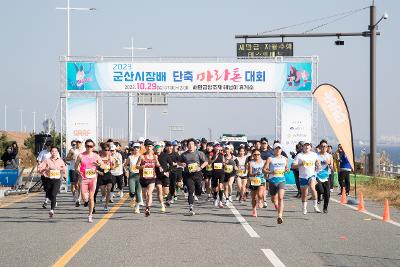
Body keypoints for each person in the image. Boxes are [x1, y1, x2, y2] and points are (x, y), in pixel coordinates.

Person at [76, 139, 106, 223]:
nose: (89, 148)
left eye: (91, 146)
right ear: (85, 146)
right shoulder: (81, 156)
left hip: (93, 179)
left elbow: (103, 166)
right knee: (85, 198)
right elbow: (76, 166)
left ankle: (90, 215)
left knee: (91, 197)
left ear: (93, 147)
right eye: (88, 146)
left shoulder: (96, 156)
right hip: (84, 179)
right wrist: (79, 172)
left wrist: (99, 165)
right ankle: (86, 201)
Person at [178, 138, 208, 215]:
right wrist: (181, 164)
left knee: (198, 191)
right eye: (189, 145)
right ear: (187, 146)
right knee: (190, 191)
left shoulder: (199, 153)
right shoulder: (184, 154)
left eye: (192, 144)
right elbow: (178, 162)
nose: (190, 146)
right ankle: (191, 208)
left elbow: (206, 162)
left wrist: (200, 167)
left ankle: (197, 192)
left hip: (197, 174)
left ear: (195, 146)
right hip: (188, 175)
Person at [292, 142, 321, 215]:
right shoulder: (299, 155)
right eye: (305, 146)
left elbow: (317, 161)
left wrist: (318, 165)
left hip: (312, 175)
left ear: (310, 147)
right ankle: (304, 208)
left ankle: (315, 206)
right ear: (303, 147)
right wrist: (301, 164)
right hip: (303, 177)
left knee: (312, 187)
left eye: (308, 146)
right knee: (304, 194)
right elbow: (293, 166)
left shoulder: (314, 154)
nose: (307, 147)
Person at [37, 146, 66, 218]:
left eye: (55, 151)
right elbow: (39, 168)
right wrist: (44, 169)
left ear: (57, 153)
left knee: (53, 194)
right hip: (48, 179)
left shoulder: (60, 161)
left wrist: (65, 175)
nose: (54, 153)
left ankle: (52, 210)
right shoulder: (47, 160)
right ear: (51, 152)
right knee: (49, 194)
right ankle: (54, 201)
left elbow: (64, 168)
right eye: (53, 151)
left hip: (56, 180)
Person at [263, 143, 289, 224]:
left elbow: (287, 168)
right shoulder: (270, 159)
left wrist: (287, 169)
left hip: (281, 180)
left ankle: (280, 215)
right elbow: (264, 170)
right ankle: (277, 208)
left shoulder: (285, 159)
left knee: (280, 198)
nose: (278, 150)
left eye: (279, 148)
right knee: (273, 199)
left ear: (281, 150)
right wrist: (271, 171)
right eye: (276, 149)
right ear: (274, 150)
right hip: (272, 181)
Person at [136, 139, 160, 217]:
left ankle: (148, 209)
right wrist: (141, 167)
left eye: (150, 146)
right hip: (143, 178)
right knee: (144, 194)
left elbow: (157, 164)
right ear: (145, 147)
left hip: (152, 178)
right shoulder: (142, 156)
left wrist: (161, 167)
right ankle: (146, 205)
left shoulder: (154, 156)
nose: (149, 148)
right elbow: (136, 166)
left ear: (152, 147)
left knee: (149, 193)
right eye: (147, 146)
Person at [317, 140, 334, 213]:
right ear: (320, 147)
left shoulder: (329, 156)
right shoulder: (316, 156)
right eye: (322, 146)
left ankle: (325, 208)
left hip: (326, 176)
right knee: (321, 190)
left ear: (327, 148)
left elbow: (332, 168)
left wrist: (329, 164)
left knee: (327, 194)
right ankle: (318, 196)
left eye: (325, 146)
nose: (324, 148)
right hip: (317, 176)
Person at [154, 143, 172, 212]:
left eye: (159, 147)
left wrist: (168, 172)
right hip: (157, 177)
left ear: (162, 148)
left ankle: (169, 197)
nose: (157, 149)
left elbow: (171, 165)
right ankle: (162, 205)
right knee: (159, 189)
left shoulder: (165, 155)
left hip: (165, 176)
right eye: (156, 147)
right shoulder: (153, 156)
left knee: (166, 192)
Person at [97, 143, 115, 211]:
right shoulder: (99, 157)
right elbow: (95, 166)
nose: (107, 151)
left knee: (108, 190)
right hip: (101, 175)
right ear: (102, 150)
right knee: (103, 191)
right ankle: (103, 195)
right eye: (105, 150)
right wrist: (98, 171)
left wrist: (112, 166)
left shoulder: (111, 157)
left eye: (108, 150)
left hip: (108, 175)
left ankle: (106, 205)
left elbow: (114, 166)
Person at [124, 143, 142, 213]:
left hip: (139, 175)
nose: (136, 149)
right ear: (133, 148)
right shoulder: (130, 157)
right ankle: (132, 198)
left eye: (137, 147)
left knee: (138, 192)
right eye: (135, 147)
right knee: (132, 191)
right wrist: (126, 171)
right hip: (132, 175)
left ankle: (137, 208)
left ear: (139, 148)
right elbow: (125, 165)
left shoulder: (142, 157)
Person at [248, 149, 266, 217]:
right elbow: (249, 173)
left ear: (260, 155)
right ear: (253, 155)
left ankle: (260, 200)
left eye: (258, 154)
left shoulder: (263, 162)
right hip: (254, 180)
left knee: (260, 194)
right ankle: (254, 209)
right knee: (254, 198)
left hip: (261, 180)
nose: (257, 156)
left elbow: (266, 169)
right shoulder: (251, 163)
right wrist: (254, 174)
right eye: (255, 154)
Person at [66, 140, 83, 207]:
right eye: (74, 144)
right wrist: (71, 158)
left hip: (81, 169)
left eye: (78, 143)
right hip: (73, 169)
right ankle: (74, 196)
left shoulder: (83, 150)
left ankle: (79, 198)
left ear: (80, 143)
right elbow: (66, 158)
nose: (76, 145)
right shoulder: (72, 150)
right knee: (74, 184)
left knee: (79, 184)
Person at [37, 141, 52, 209]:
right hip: (44, 172)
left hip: (52, 172)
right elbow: (39, 160)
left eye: (49, 146)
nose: (48, 148)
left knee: (50, 187)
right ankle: (52, 199)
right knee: (46, 187)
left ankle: (46, 201)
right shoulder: (42, 152)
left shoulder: (54, 152)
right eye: (47, 146)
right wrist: (40, 166)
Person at [210, 143, 225, 208]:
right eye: (216, 147)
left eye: (218, 147)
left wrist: (225, 163)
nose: (217, 148)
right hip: (214, 172)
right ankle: (215, 198)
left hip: (221, 172)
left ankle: (221, 201)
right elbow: (209, 162)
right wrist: (214, 158)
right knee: (215, 188)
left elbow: (224, 162)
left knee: (221, 186)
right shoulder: (211, 154)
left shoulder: (222, 154)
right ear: (214, 148)